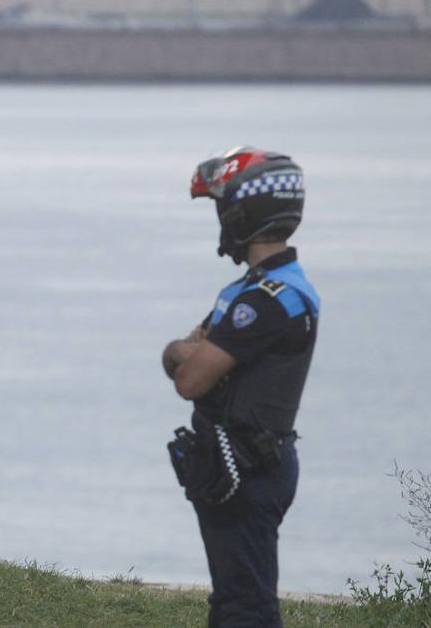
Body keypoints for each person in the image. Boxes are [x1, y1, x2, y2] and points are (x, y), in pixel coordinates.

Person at [161, 147, 320, 628]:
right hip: (231, 461)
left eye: (221, 208)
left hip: (251, 466)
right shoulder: (249, 291)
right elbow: (180, 354)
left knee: (246, 606)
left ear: (244, 212)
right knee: (231, 599)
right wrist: (191, 354)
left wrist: (194, 356)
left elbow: (188, 378)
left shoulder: (271, 299)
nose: (220, 221)